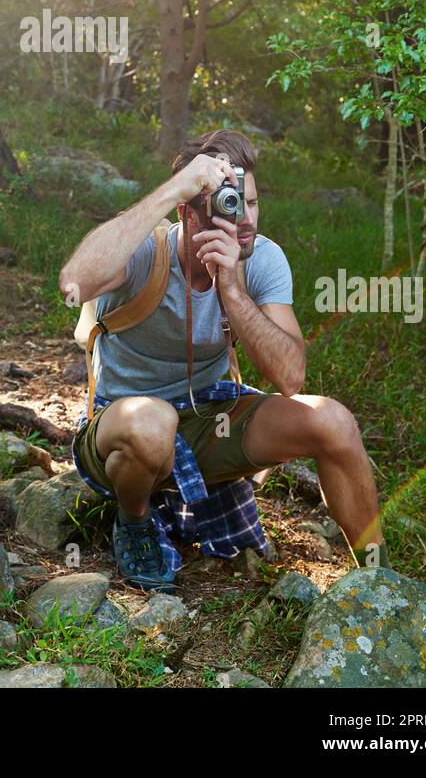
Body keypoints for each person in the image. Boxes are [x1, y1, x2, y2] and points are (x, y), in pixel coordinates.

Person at [59, 129, 390, 590]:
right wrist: (175, 187)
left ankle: (378, 576)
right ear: (188, 214)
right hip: (125, 428)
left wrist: (232, 289)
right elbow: (74, 280)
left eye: (251, 202)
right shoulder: (146, 253)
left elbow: (291, 378)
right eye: (228, 205)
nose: (246, 219)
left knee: (333, 421)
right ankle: (133, 521)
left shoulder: (260, 259)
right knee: (152, 423)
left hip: (206, 417)